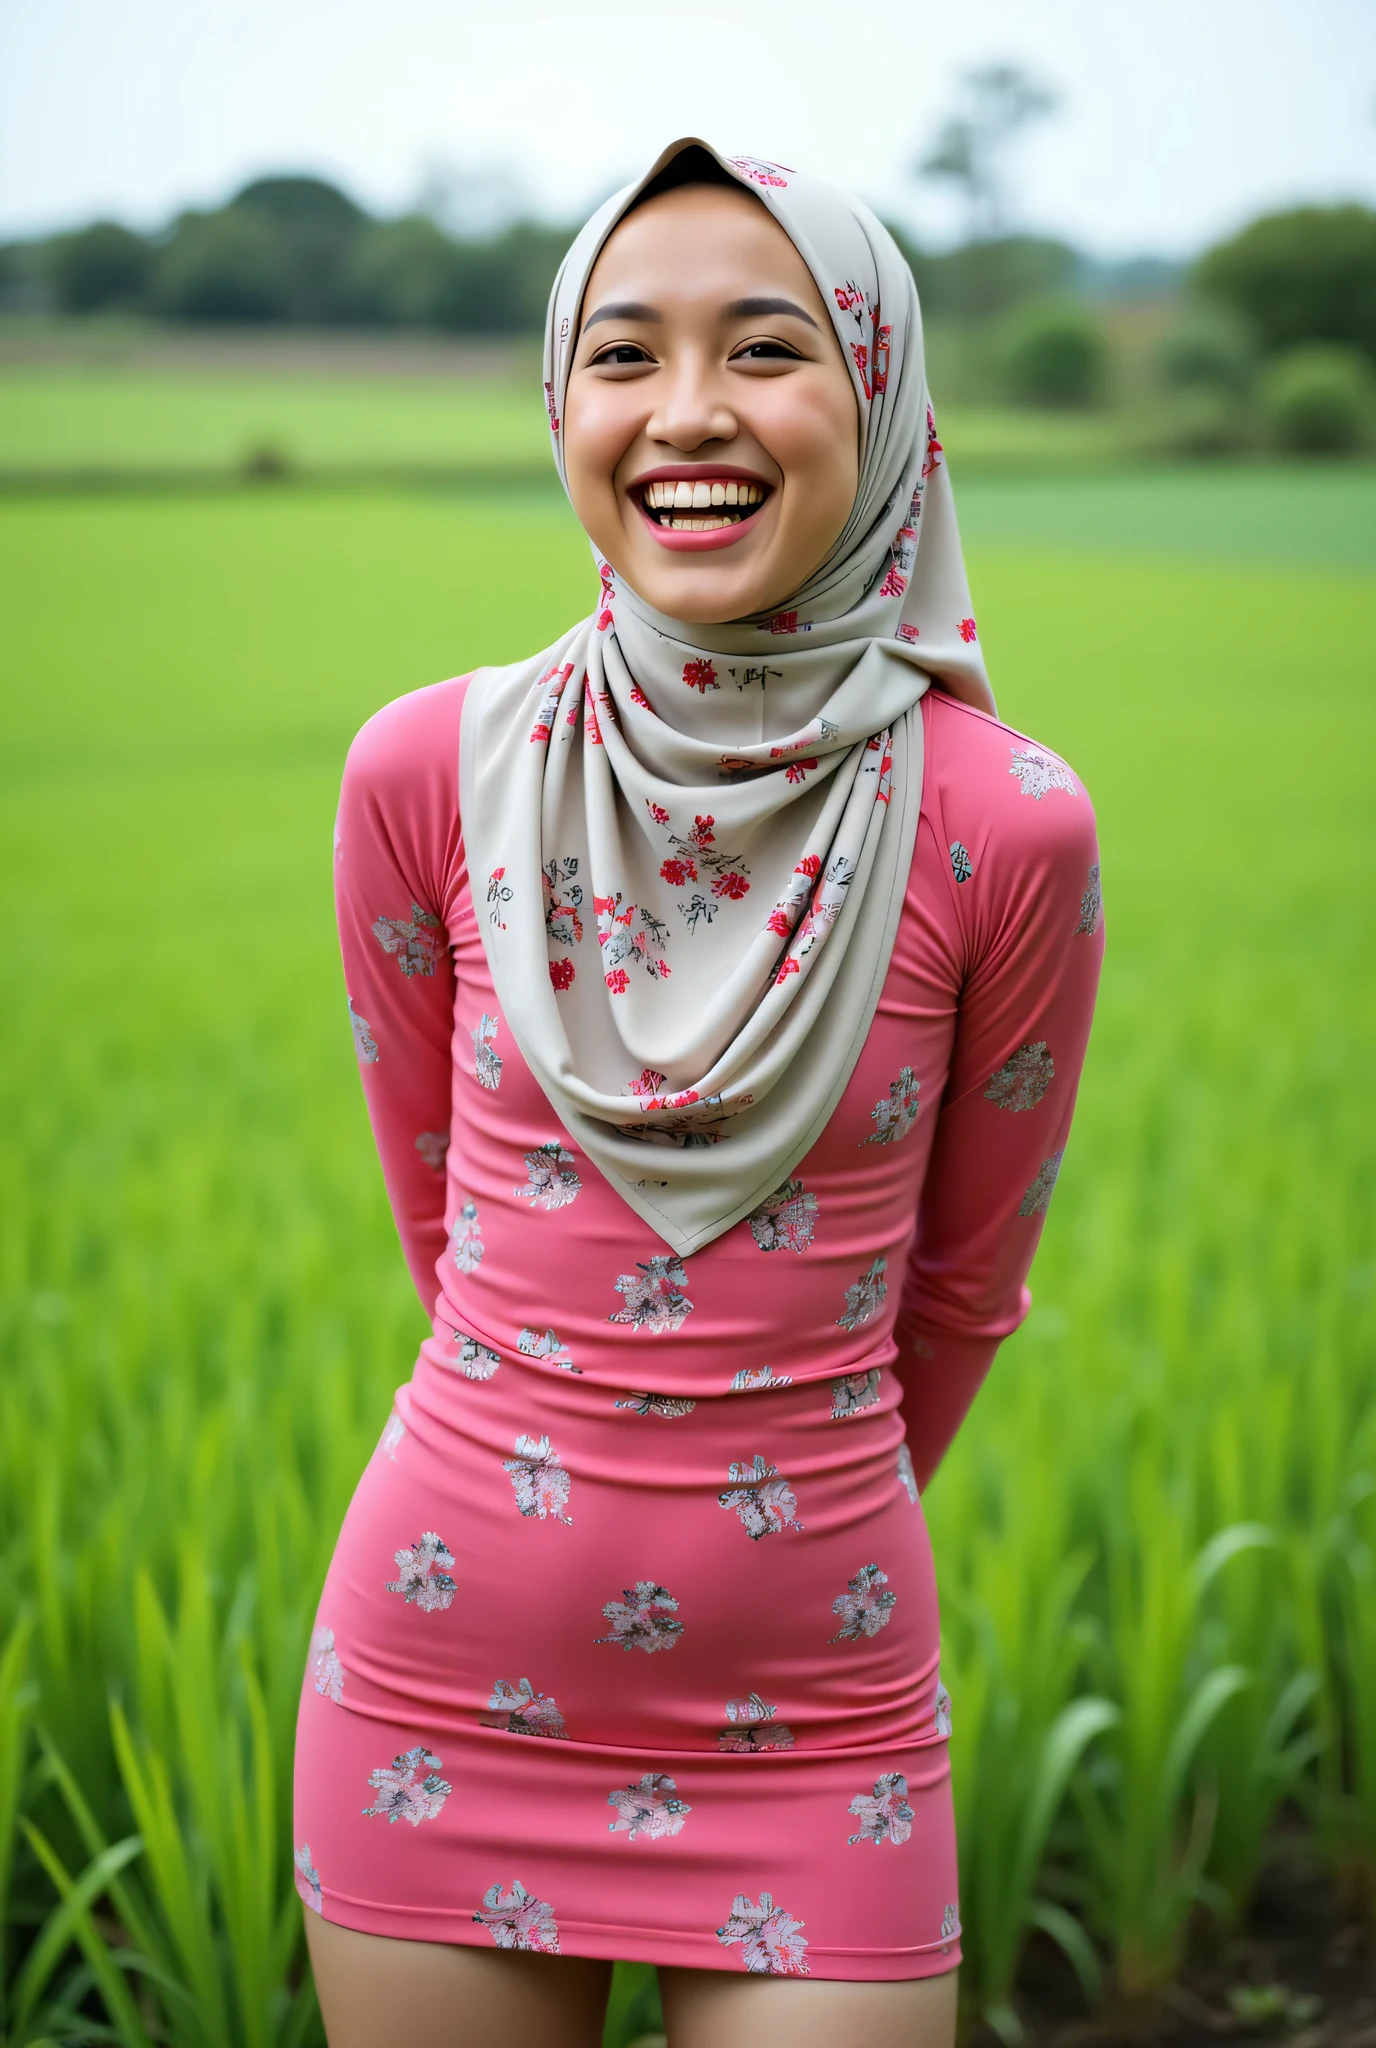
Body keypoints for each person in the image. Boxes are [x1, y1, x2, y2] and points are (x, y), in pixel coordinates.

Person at [292, 137, 1104, 2048]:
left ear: (883, 391)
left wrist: (777, 1516)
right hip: (436, 1685)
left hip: (822, 1726)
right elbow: (440, 1222)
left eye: (765, 349)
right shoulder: (425, 772)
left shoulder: (1009, 827)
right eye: (623, 355)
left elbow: (968, 1285)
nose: (688, 417)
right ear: (559, 400)